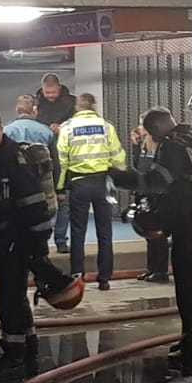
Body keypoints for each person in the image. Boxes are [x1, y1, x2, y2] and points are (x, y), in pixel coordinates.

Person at [0, 110, 82, 383]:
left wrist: (35, 244)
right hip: (2, 237)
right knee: (15, 294)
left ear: (1, 129)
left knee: (10, 297)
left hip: (19, 237)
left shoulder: (14, 159)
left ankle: (14, 357)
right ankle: (28, 347)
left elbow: (33, 203)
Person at [113, 108, 192, 376]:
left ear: (156, 130)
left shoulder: (173, 147)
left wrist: (117, 176)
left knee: (188, 289)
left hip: (187, 226)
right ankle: (191, 339)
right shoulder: (189, 140)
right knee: (191, 288)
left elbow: (157, 182)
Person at [55, 93, 125, 291]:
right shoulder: (107, 126)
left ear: (77, 107)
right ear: (94, 106)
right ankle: (104, 279)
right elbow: (118, 157)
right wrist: (118, 175)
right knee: (105, 231)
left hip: (78, 183)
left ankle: (78, 275)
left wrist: (60, 186)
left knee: (78, 231)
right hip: (102, 183)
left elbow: (62, 161)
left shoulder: (67, 127)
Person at [34, 74, 77, 252]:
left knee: (64, 202)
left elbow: (77, 124)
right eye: (47, 92)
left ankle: (61, 240)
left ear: (59, 88)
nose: (50, 95)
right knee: (41, 203)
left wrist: (63, 128)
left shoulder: (72, 103)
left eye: (53, 92)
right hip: (42, 158)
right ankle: (41, 242)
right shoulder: (37, 103)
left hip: (65, 157)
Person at [128, 126, 169, 283]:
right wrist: (136, 146)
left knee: (158, 235)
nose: (140, 129)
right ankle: (151, 268)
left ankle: (161, 271)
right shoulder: (145, 146)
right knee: (148, 233)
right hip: (145, 193)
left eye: (143, 125)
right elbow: (138, 166)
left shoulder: (159, 146)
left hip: (156, 195)